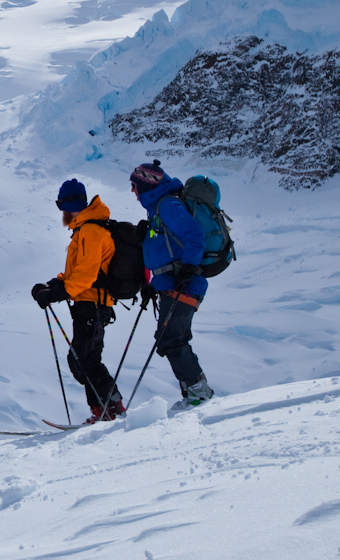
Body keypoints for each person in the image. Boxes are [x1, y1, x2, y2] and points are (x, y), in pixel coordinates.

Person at [31, 179, 126, 423]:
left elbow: (85, 276)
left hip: (93, 305)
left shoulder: (91, 232)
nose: (60, 211)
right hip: (87, 304)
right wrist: (53, 284)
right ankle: (103, 409)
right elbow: (78, 272)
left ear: (68, 203)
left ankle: (111, 409)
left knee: (85, 360)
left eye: (59, 204)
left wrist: (55, 294)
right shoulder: (84, 230)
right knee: (81, 360)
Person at [130, 160, 216, 409]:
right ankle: (193, 393)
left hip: (185, 283)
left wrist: (188, 269)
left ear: (147, 184)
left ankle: (199, 393)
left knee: (173, 339)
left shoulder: (168, 205)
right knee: (171, 338)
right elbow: (164, 252)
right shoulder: (157, 208)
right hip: (173, 283)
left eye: (135, 186)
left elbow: (194, 236)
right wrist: (153, 285)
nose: (133, 192)